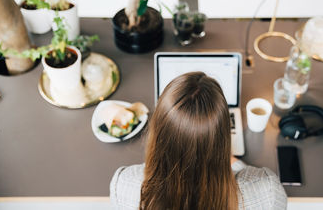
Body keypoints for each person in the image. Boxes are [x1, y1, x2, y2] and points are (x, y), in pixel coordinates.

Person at [110, 72, 287, 210]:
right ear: (223, 135)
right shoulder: (267, 191)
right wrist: (235, 163)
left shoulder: (124, 184)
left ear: (158, 131)